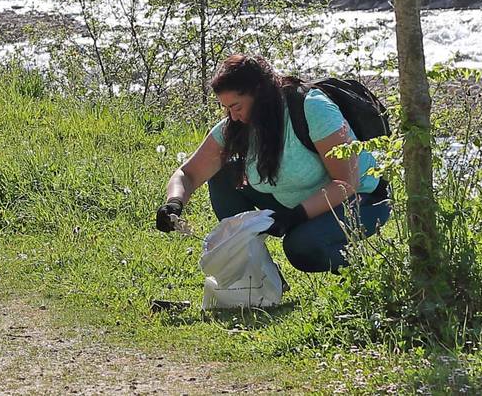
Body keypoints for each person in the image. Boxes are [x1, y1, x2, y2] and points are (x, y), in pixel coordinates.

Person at [155, 54, 390, 273]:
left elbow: (346, 182)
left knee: (301, 247)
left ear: (260, 93)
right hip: (299, 200)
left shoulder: (312, 108)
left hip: (361, 200)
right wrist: (174, 203)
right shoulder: (235, 127)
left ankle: (369, 271)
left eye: (237, 106)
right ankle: (257, 270)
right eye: (226, 109)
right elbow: (188, 174)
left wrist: (293, 217)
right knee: (223, 172)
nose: (233, 116)